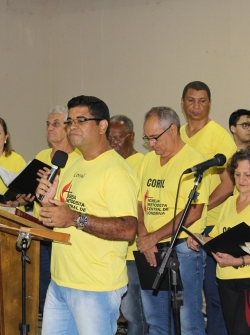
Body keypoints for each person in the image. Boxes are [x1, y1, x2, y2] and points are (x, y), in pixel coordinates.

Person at [35, 95, 138, 335]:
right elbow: (60, 214)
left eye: (81, 120)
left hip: (95, 287)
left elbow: (128, 229)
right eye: (70, 121)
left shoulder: (117, 172)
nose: (73, 127)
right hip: (60, 281)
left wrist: (74, 218)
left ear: (103, 126)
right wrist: (47, 200)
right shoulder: (71, 163)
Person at [188, 147, 250, 334]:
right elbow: (217, 237)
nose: (241, 180)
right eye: (237, 174)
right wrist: (199, 239)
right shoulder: (230, 202)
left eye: (248, 174)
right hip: (226, 278)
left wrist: (238, 261)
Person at [137, 106, 211, 335]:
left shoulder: (194, 162)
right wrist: (144, 238)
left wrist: (153, 238)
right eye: (147, 138)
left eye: (155, 137)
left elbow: (194, 212)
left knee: (188, 320)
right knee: (155, 320)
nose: (151, 144)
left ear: (173, 130)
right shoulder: (148, 161)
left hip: (183, 250)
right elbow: (139, 203)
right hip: (150, 249)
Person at [179, 81, 236, 335]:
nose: (196, 106)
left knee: (213, 294)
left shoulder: (219, 136)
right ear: (182, 103)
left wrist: (201, 208)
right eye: (191, 100)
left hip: (211, 224)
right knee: (185, 296)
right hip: (180, 226)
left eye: (202, 101)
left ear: (210, 104)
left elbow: (229, 184)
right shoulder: (176, 134)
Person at [32, 105, 82, 316]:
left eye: (56, 124)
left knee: (66, 292)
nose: (50, 128)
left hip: (65, 232)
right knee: (44, 289)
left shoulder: (78, 159)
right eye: (48, 124)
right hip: (40, 229)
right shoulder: (42, 155)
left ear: (68, 128)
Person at [109, 114, 147, 335]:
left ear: (132, 137)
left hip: (133, 253)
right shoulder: (108, 163)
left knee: (135, 313)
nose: (113, 144)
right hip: (113, 251)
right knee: (119, 310)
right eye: (110, 139)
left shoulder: (141, 163)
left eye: (118, 138)